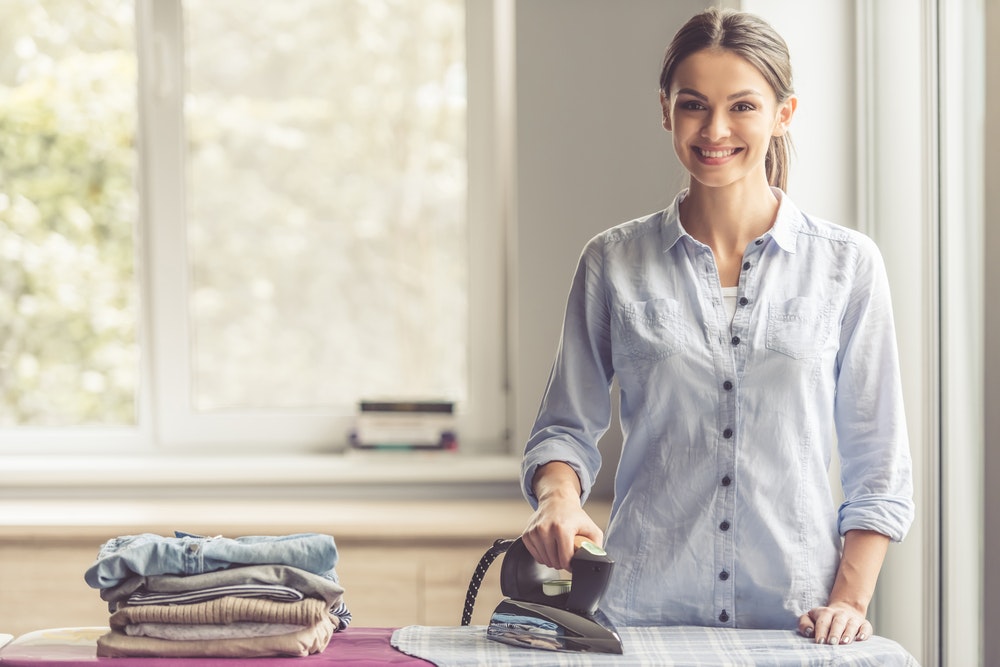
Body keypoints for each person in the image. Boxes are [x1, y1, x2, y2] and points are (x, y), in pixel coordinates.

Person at [518, 7, 914, 647]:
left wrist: (849, 599)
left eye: (744, 107)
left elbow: (879, 462)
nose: (716, 129)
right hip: (639, 621)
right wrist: (559, 499)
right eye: (695, 105)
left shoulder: (847, 266)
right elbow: (565, 428)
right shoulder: (611, 263)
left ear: (784, 114)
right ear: (666, 111)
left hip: (798, 628)